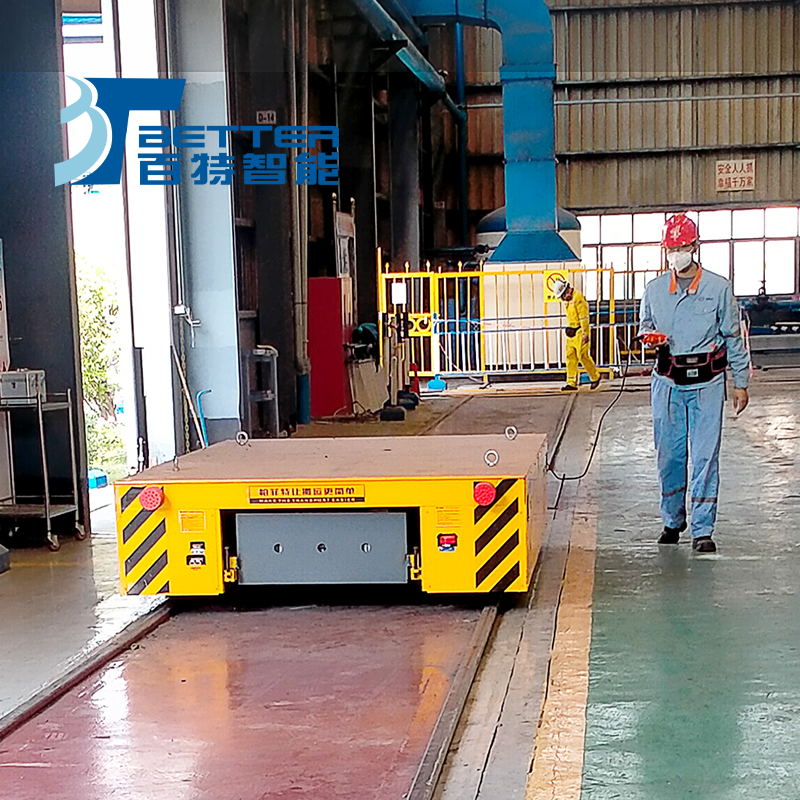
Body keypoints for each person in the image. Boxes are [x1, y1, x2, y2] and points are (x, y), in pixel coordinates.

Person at [639, 213, 750, 553]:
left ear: (695, 246)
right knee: (670, 456)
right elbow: (645, 325)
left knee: (704, 456)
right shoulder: (654, 290)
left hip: (707, 384)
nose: (676, 254)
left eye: (682, 247)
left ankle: (703, 529)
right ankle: (672, 521)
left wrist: (741, 382)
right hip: (667, 385)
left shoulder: (718, 289)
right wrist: (649, 338)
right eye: (671, 249)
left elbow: (733, 336)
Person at [552, 278, 601, 392]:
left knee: (582, 355)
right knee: (570, 357)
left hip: (580, 331)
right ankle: (571, 382)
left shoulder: (578, 298)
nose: (563, 299)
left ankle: (595, 377)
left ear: (567, 289)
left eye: (563, 296)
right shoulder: (568, 300)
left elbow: (584, 317)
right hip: (572, 331)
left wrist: (585, 333)